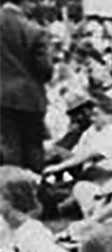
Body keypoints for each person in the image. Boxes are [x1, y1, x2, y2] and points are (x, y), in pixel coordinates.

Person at [0, 0, 53, 172]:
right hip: (29, 97)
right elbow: (45, 70)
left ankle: (10, 185)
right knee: (33, 148)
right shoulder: (34, 30)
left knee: (9, 146)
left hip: (2, 95)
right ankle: (33, 185)